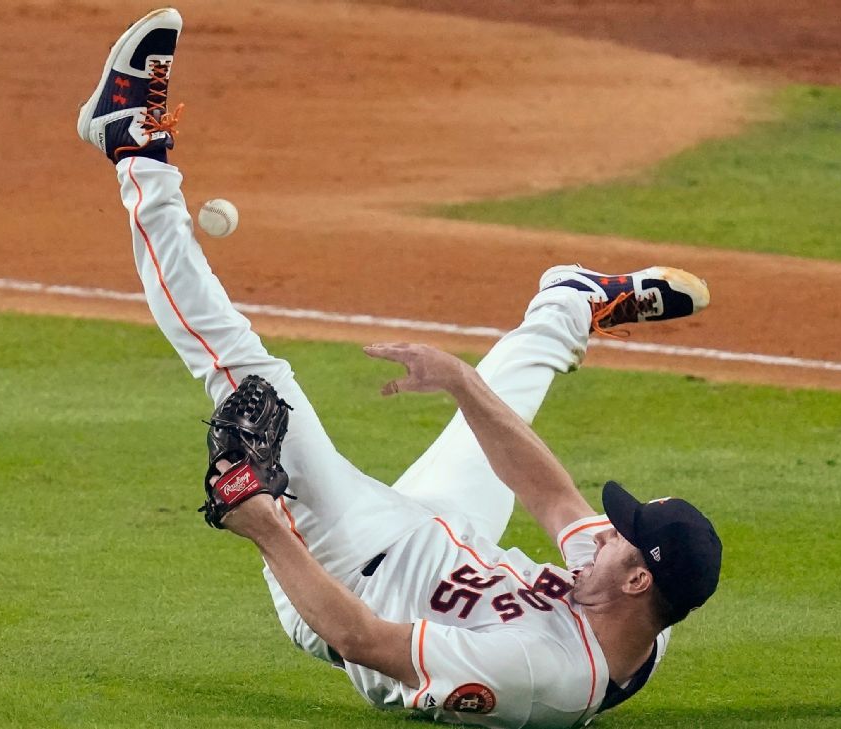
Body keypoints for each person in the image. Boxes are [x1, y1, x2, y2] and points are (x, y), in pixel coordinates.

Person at [77, 9, 723, 728]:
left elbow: (361, 637)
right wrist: (460, 380)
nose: (601, 531)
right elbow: (554, 498)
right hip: (446, 538)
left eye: (619, 535)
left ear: (638, 577)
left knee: (247, 371)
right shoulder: (640, 609)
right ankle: (569, 305)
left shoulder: (539, 676)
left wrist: (265, 527)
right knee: (491, 405)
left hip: (349, 571)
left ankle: (132, 145)